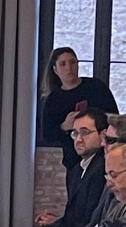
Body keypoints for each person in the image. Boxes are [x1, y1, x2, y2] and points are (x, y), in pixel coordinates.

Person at [7, 108, 107, 227]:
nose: (78, 139)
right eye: (75, 133)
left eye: (85, 132)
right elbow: (69, 218)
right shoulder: (77, 169)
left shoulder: (101, 170)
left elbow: (88, 224)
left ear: (103, 135)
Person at [40, 46, 119, 185]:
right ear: (55, 70)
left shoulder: (96, 86)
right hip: (74, 159)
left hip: (102, 154)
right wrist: (64, 126)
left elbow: (114, 117)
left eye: (72, 62)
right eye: (63, 64)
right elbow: (47, 135)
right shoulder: (53, 99)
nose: (69, 68)